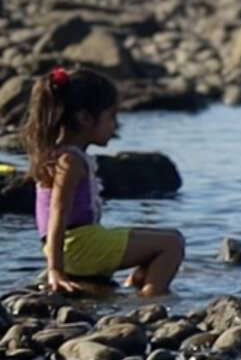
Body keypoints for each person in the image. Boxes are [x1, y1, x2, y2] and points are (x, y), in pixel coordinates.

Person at [21, 66, 186, 295]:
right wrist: (55, 270)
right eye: (111, 117)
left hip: (77, 245)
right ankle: (150, 301)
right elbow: (57, 214)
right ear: (85, 118)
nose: (116, 126)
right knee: (172, 244)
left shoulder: (61, 155)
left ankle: (130, 290)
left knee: (159, 239)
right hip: (78, 248)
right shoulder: (70, 161)